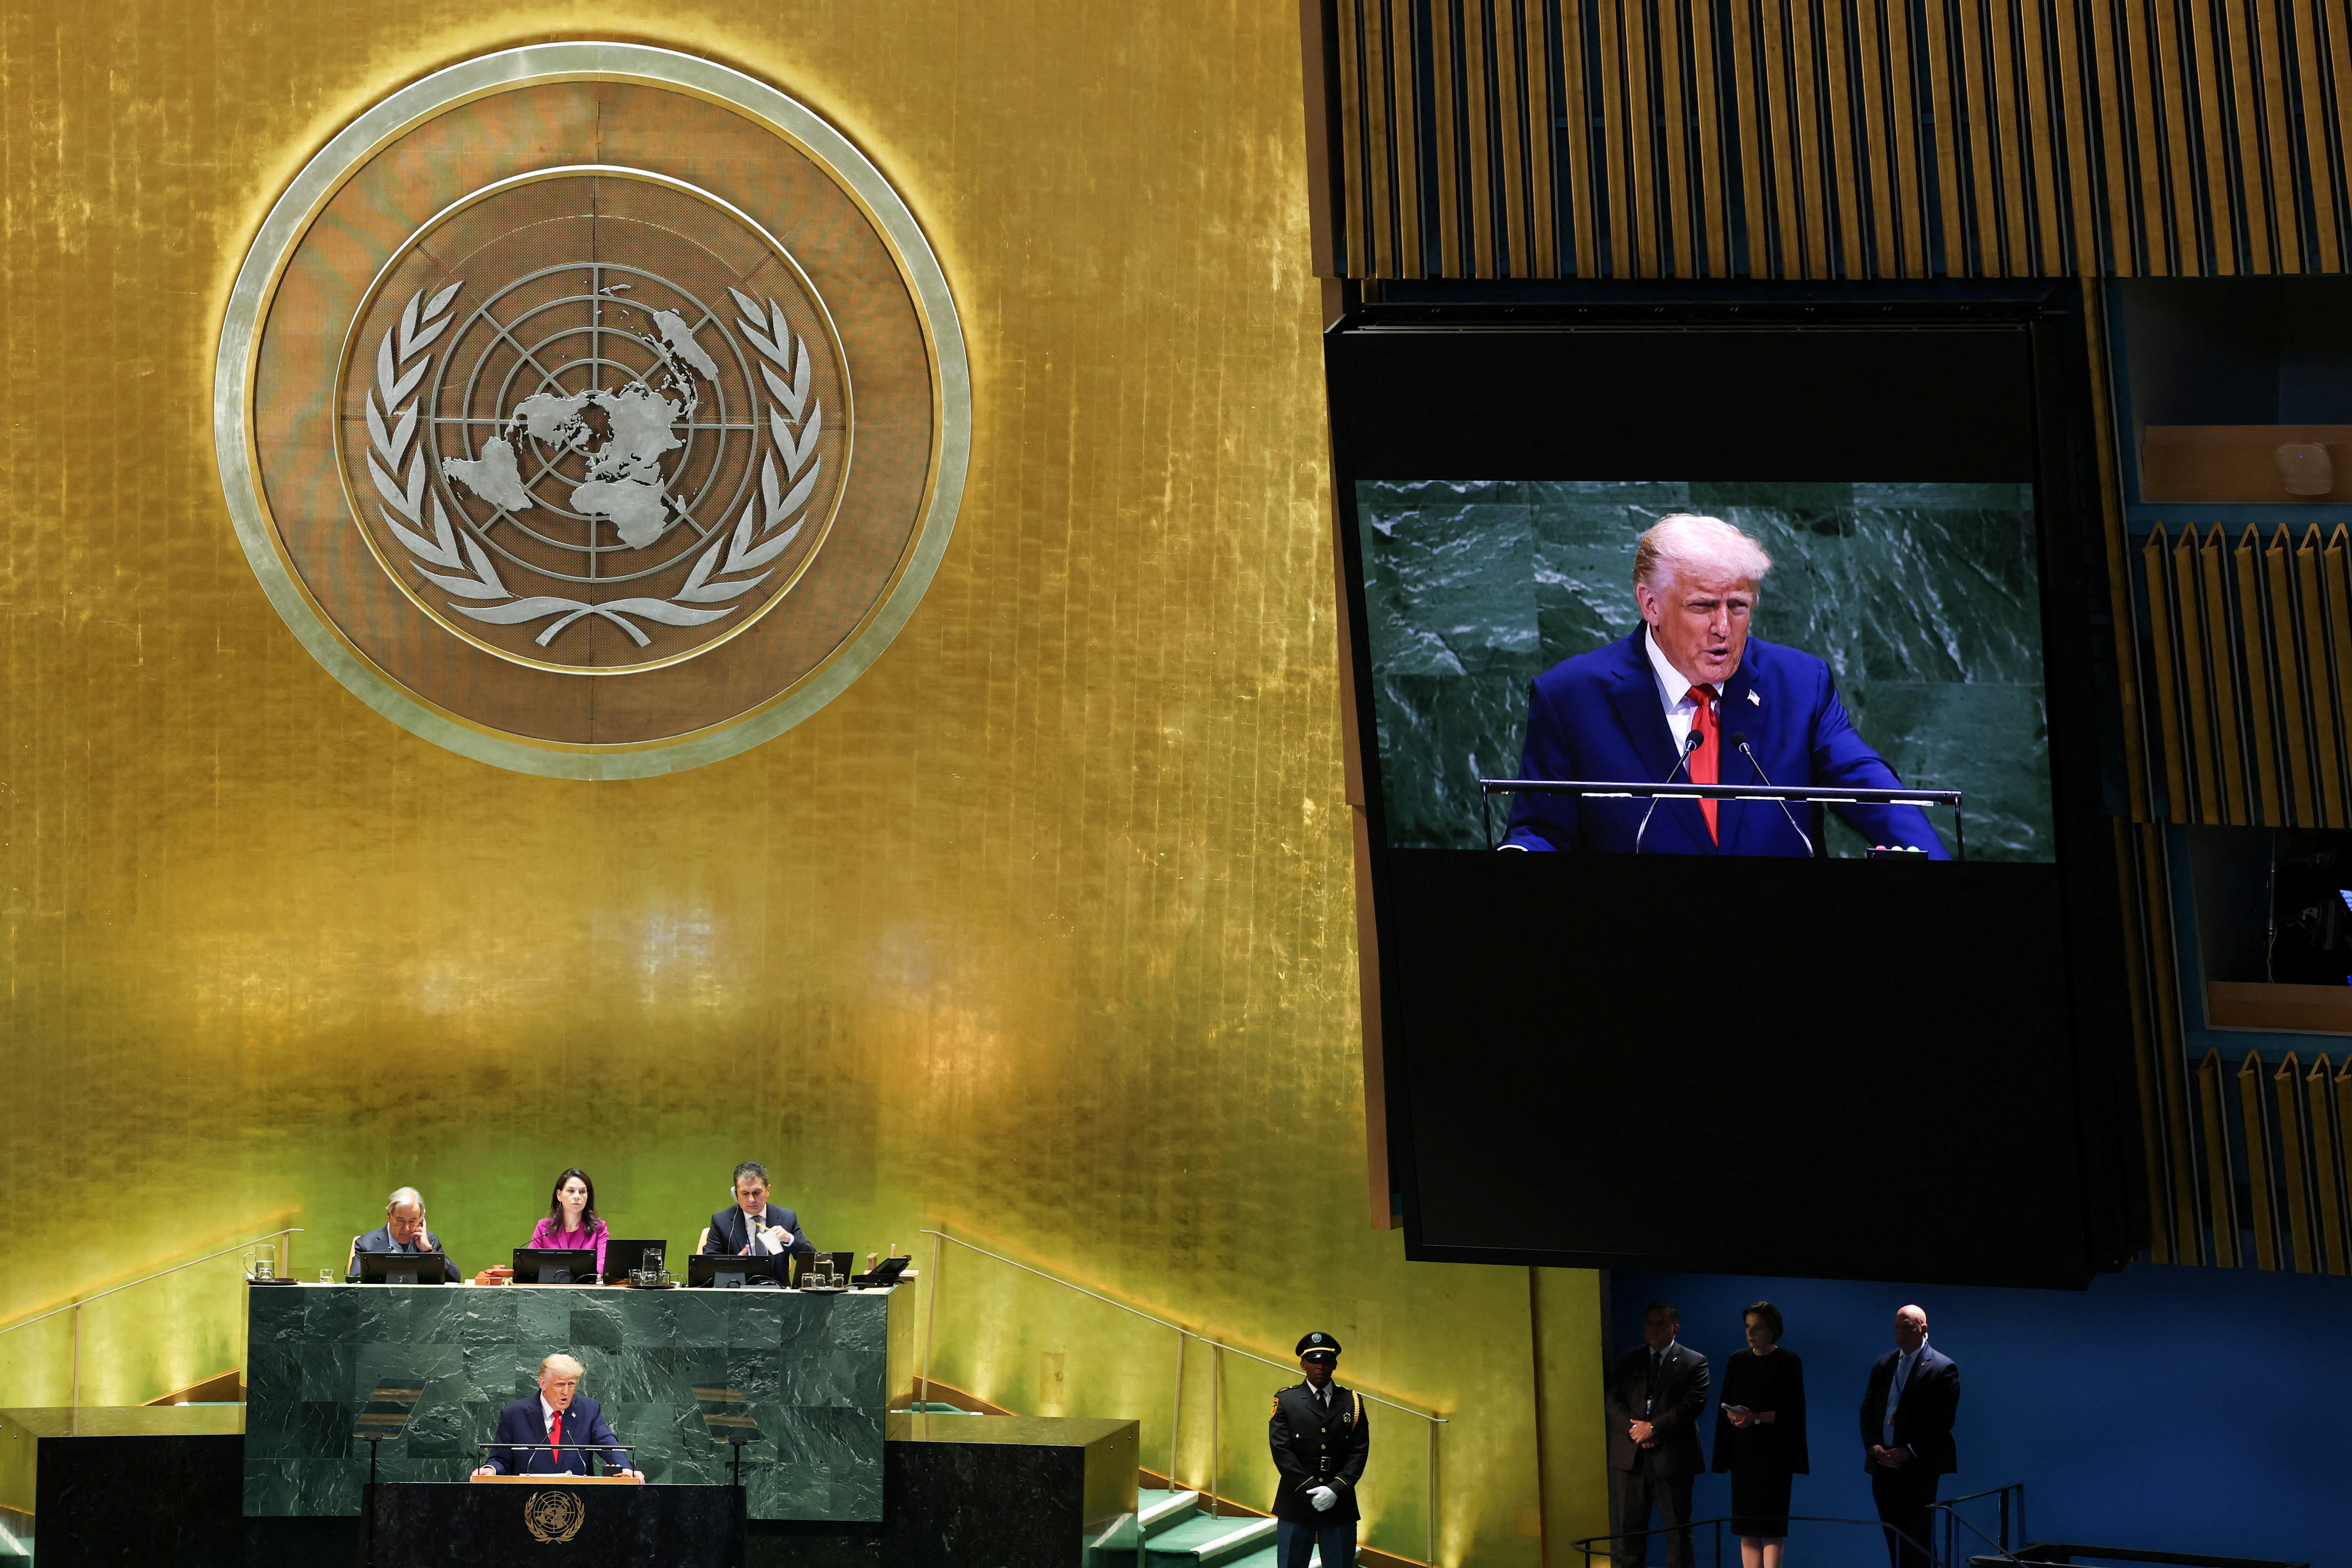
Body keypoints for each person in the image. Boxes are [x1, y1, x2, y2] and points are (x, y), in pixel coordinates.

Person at [1501, 514, 1949, 857]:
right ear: (1650, 604)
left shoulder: (1798, 683)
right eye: (1702, 606)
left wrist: (1929, 856)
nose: (1723, 627)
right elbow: (1541, 830)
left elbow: (1866, 785)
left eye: (1737, 605)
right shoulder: (1571, 696)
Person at [1606, 1302, 1709, 1568]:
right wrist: (1638, 1430)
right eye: (1650, 1322)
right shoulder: (1630, 1359)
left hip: (1673, 1458)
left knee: (1678, 1534)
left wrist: (1653, 1429)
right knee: (1629, 1536)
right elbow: (1612, 1400)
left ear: (1675, 1328)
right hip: (1631, 1458)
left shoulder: (1694, 1361)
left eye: (1661, 1323)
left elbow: (1693, 1405)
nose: (1654, 1328)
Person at [1859, 1304, 1960, 1568]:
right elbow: (1868, 1410)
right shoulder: (1884, 1363)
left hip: (1918, 1467)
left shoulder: (1943, 1367)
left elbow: (1943, 1422)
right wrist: (1874, 1447)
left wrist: (1909, 1450)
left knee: (1919, 1538)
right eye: (1896, 1327)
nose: (1900, 1333)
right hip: (1884, 1466)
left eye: (1907, 1327)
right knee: (1893, 1536)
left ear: (1923, 1329)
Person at [1713, 1301, 1808, 1568]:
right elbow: (1725, 1403)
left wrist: (1755, 1417)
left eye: (1758, 1328)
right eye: (1747, 1327)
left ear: (1772, 1330)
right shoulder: (1737, 1360)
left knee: (1772, 1530)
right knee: (1747, 1529)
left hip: (1775, 1456)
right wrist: (1734, 1415)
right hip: (1744, 1454)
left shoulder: (1788, 1362)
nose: (1750, 1333)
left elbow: (1793, 1414)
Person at [1267, 1332, 1369, 1568]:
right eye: (1313, 1361)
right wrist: (1312, 1489)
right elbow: (1281, 1450)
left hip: (1340, 1500)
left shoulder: (1352, 1401)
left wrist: (1335, 1490)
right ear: (1303, 1364)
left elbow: (1359, 1451)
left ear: (1335, 1364)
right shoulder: (1287, 1400)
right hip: (1296, 1500)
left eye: (1325, 1361)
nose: (1320, 1367)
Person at [474, 1353, 638, 1478]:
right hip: (527, 1501)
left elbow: (607, 1444)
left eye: (571, 1385)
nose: (566, 1392)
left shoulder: (588, 1410)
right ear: (543, 1383)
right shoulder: (515, 1414)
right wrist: (490, 1470)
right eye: (560, 1384)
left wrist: (626, 1469)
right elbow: (501, 1459)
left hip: (577, 1502)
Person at [700, 1160, 817, 1266]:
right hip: (738, 1287)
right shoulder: (721, 1221)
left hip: (776, 1287)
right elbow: (708, 1264)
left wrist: (790, 1239)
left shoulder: (786, 1217)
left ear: (768, 1191)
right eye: (745, 1193)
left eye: (757, 1193)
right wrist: (733, 1265)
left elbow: (812, 1259)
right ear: (736, 1194)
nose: (751, 1200)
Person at [347, 1187, 460, 1282]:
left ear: (421, 1220)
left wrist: (429, 1251)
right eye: (400, 1221)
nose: (406, 1228)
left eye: (412, 1221)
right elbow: (356, 1285)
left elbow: (455, 1280)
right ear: (389, 1215)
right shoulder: (366, 1244)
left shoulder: (430, 1241)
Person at [526, 1169, 610, 1276]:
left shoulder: (599, 1229)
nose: (577, 1196)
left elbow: (603, 1263)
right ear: (559, 1195)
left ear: (588, 1196)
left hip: (587, 1289)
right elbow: (532, 1264)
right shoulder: (544, 1228)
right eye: (571, 1191)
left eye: (582, 1192)